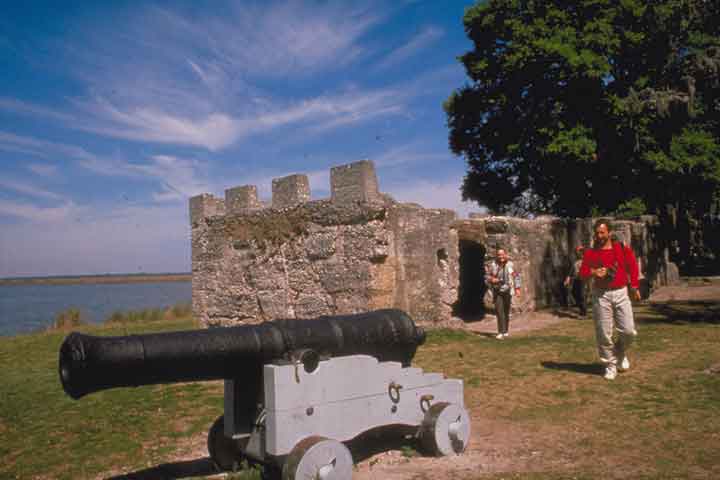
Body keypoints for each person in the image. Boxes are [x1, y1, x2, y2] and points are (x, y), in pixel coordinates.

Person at [579, 220, 641, 380]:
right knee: (604, 334)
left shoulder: (621, 249)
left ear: (609, 232)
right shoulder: (591, 253)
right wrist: (594, 272)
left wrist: (634, 286)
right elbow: (582, 273)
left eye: (602, 232)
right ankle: (610, 365)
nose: (599, 236)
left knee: (629, 331)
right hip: (601, 295)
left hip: (621, 292)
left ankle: (620, 352)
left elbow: (632, 267)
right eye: (597, 233)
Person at [486, 248, 521, 339]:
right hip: (497, 291)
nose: (500, 256)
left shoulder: (510, 265)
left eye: (502, 254)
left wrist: (517, 289)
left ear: (505, 255)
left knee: (506, 311)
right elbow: (487, 276)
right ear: (496, 256)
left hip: (508, 290)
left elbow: (516, 276)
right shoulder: (493, 265)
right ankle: (500, 332)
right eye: (498, 255)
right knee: (499, 311)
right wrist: (492, 279)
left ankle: (505, 331)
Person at [564, 245, 588, 316]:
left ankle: (583, 313)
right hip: (576, 279)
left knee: (582, 295)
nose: (577, 253)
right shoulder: (575, 261)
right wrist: (568, 278)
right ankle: (581, 308)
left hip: (583, 279)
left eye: (578, 251)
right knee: (574, 292)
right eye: (576, 251)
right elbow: (571, 270)